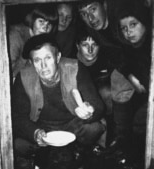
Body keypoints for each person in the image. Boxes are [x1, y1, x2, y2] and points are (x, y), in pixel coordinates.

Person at [11, 34, 106, 169]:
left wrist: (89, 111)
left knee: (94, 128)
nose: (43, 66)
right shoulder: (24, 77)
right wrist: (36, 133)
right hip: (42, 127)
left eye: (48, 58)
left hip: (72, 124)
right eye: (37, 60)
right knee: (18, 144)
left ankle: (80, 150)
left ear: (58, 57)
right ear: (31, 63)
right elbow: (17, 116)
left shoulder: (75, 68)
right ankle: (38, 156)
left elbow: (97, 105)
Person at [77, 0, 136, 153]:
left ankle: (121, 140)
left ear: (105, 5)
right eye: (84, 14)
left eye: (93, 9)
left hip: (140, 67)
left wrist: (133, 77)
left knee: (114, 85)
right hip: (86, 112)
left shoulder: (122, 18)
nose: (90, 17)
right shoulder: (92, 33)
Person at [115, 1, 152, 166]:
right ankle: (127, 153)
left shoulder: (153, 44)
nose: (128, 31)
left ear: (144, 23)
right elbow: (122, 63)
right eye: (124, 28)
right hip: (142, 95)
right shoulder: (128, 48)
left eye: (133, 24)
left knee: (138, 120)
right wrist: (130, 76)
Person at [8, 4, 58, 78]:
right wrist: (24, 58)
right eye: (41, 22)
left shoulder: (43, 39)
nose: (45, 28)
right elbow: (8, 73)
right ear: (32, 20)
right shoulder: (15, 36)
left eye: (49, 24)